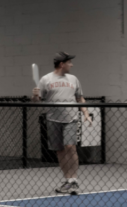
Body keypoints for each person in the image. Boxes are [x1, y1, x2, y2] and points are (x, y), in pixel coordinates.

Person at [32, 52, 90, 195]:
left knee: (70, 146)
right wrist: (34, 96)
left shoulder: (73, 79)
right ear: (62, 64)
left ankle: (74, 179)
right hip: (52, 119)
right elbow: (37, 101)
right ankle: (68, 180)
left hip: (71, 118)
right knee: (60, 151)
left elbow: (80, 98)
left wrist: (85, 113)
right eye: (69, 62)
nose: (72, 65)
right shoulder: (46, 79)